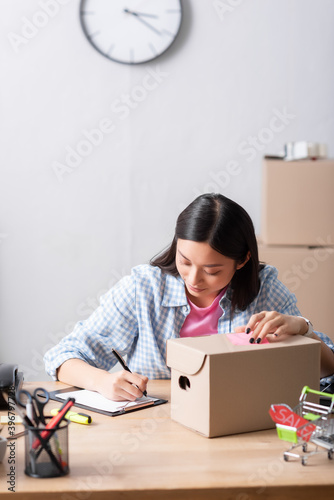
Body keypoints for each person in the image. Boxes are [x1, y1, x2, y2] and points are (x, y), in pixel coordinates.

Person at [44, 193, 334, 401]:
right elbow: (62, 357)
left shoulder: (265, 288)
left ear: (243, 260)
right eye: (185, 261)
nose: (193, 279)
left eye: (212, 270)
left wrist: (301, 329)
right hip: (155, 428)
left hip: (239, 425)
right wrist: (102, 381)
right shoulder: (143, 288)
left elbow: (327, 371)